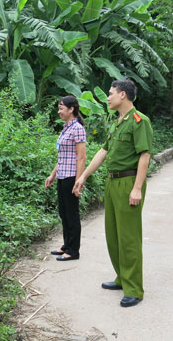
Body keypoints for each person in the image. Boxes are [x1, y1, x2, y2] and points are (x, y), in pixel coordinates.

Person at [73, 80, 152, 308]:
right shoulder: (118, 122)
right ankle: (121, 277)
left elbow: (144, 156)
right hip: (112, 182)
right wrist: (84, 175)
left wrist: (137, 188)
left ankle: (134, 289)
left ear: (123, 95)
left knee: (129, 237)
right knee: (114, 234)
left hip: (128, 182)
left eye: (110, 94)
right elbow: (103, 151)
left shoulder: (139, 121)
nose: (107, 98)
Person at [45, 95, 87, 261]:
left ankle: (74, 251)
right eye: (59, 107)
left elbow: (81, 157)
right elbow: (62, 156)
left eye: (61, 108)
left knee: (72, 214)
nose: (59, 111)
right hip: (62, 175)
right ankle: (66, 245)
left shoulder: (77, 128)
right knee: (63, 212)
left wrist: (78, 181)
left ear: (71, 109)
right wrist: (52, 175)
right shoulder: (66, 127)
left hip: (71, 177)